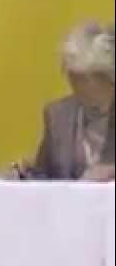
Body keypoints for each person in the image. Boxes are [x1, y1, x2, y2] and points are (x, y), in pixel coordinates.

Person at [13, 21, 115, 181]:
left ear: (106, 76)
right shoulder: (58, 116)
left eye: (82, 78)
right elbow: (44, 175)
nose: (74, 85)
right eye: (70, 76)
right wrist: (23, 176)